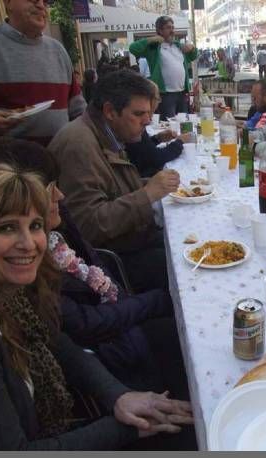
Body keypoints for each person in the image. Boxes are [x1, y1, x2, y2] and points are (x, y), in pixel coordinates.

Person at [0, 165, 193, 450]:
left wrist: (118, 395)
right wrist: (129, 428)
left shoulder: (6, 290)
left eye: (35, 226)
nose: (28, 244)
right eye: (6, 228)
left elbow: (55, 341)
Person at [48, 70, 180, 293]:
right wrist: (147, 194)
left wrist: (151, 185)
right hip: (114, 261)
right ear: (110, 111)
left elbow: (112, 187)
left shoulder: (105, 134)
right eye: (139, 114)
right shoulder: (79, 145)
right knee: (186, 267)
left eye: (148, 113)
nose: (147, 121)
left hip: (130, 241)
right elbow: (87, 226)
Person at [0, 0, 86, 145]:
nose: (41, 6)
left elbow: (78, 108)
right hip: (9, 162)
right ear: (8, 3)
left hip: (59, 158)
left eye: (45, 2)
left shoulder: (58, 50)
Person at [129, 15, 197, 119]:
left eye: (173, 27)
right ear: (160, 30)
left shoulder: (178, 46)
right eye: (168, 27)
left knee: (184, 124)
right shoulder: (153, 48)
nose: (172, 30)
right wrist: (151, 39)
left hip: (182, 93)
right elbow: (133, 48)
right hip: (166, 95)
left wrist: (192, 47)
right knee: (168, 125)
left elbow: (193, 56)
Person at [125, 81, 189, 177]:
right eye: (158, 98)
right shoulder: (133, 123)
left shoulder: (137, 123)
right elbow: (156, 159)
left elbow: (142, 149)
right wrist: (179, 142)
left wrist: (157, 138)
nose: (159, 102)